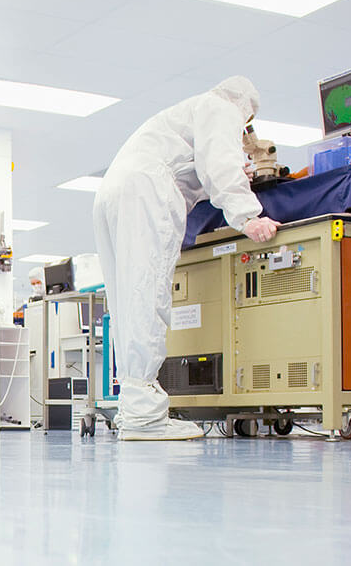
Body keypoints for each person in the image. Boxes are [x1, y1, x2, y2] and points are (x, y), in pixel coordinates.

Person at [92, 76, 280, 441]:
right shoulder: (222, 108)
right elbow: (220, 164)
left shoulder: (185, 114)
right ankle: (145, 416)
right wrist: (248, 216)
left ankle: (135, 407)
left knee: (127, 298)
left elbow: (199, 169)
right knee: (148, 293)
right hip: (145, 192)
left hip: (113, 192)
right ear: (246, 109)